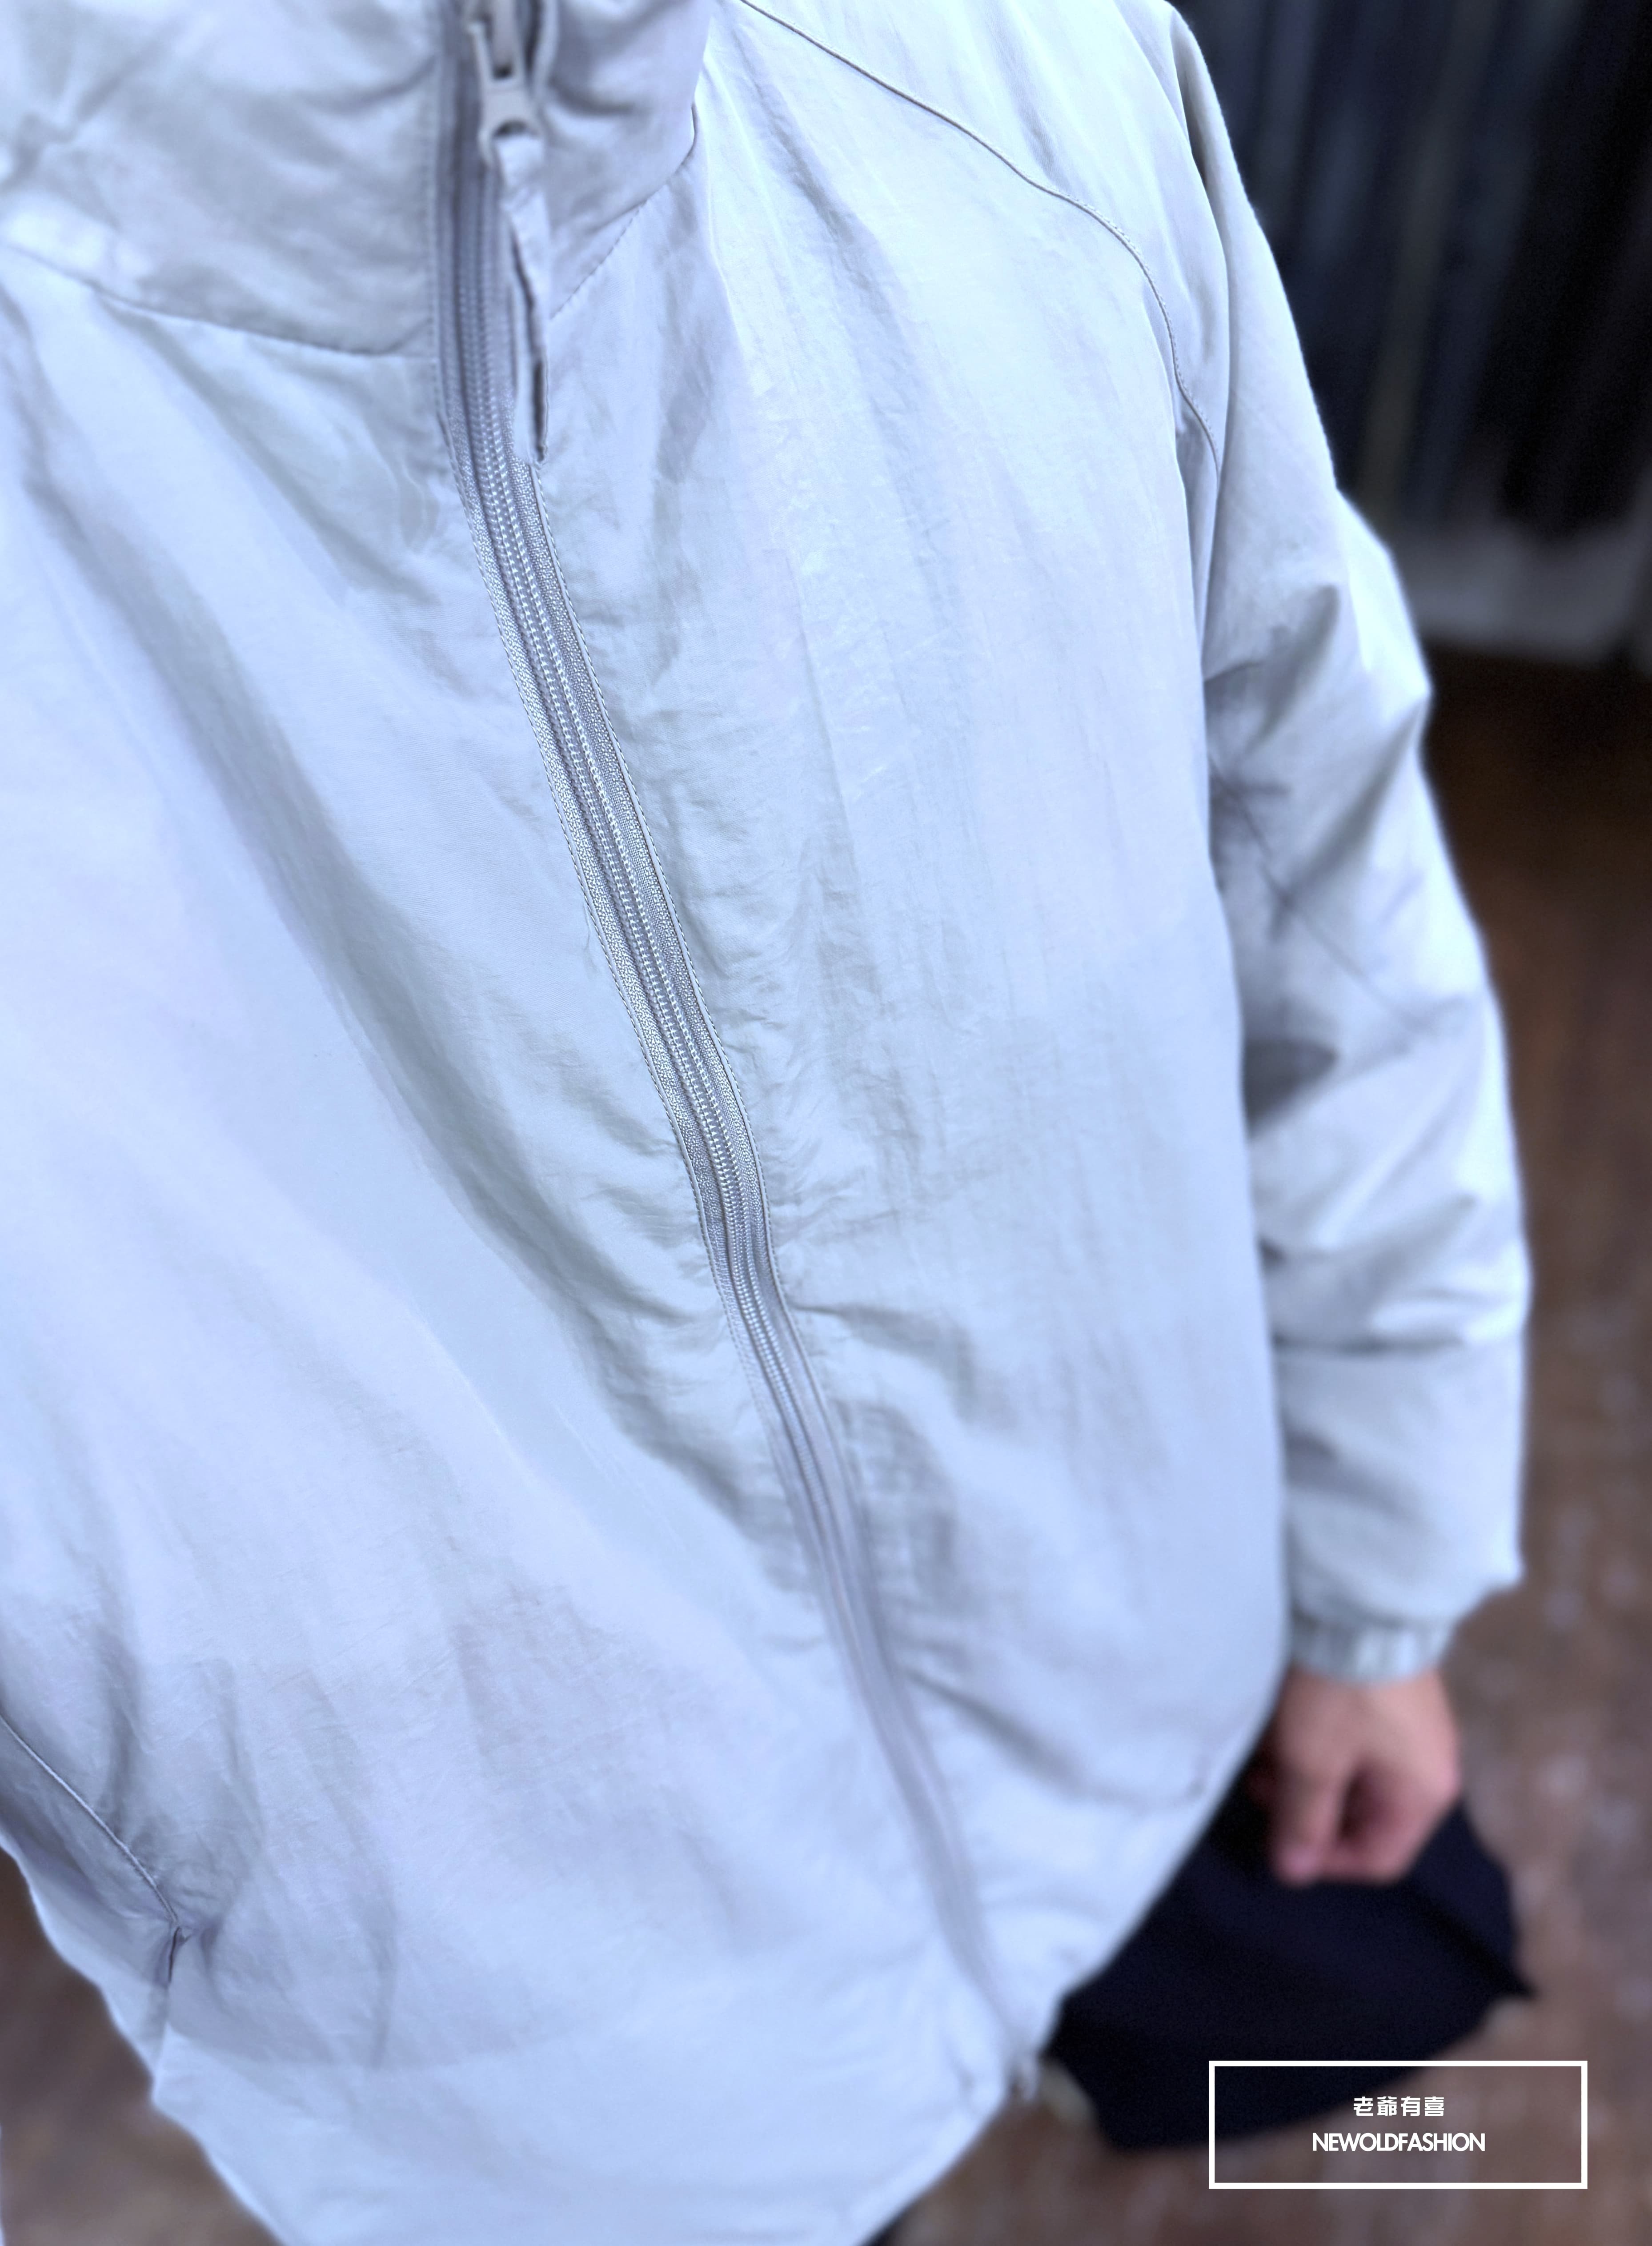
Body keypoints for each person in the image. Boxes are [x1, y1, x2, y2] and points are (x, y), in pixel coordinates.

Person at [0, 0, 1527, 2241]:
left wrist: (1375, 1579)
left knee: (1385, 2039)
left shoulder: (1016, 63)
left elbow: (1313, 843)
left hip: (1168, 1696)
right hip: (563, 2078)